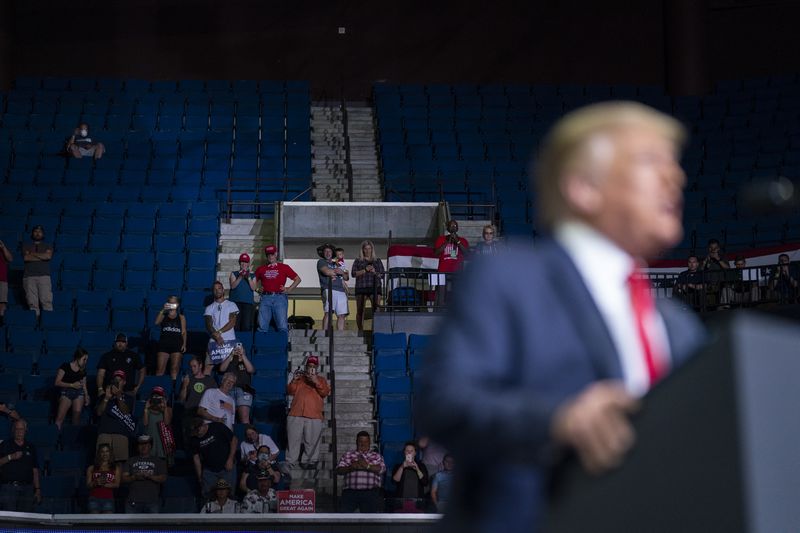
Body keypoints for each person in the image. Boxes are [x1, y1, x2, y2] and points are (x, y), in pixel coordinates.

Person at [415, 102, 706, 533]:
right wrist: (557, 420)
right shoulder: (509, 276)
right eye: (650, 161)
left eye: (675, 164)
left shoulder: (680, 326)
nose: (675, 177)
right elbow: (441, 402)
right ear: (584, 187)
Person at [286, 355, 330, 469]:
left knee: (311, 441)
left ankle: (310, 461)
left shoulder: (321, 380)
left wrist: (316, 382)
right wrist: (294, 380)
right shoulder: (299, 378)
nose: (311, 368)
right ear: (306, 367)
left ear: (317, 368)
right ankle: (291, 462)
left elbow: (325, 393)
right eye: (309, 366)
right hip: (296, 413)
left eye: (313, 366)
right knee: (293, 439)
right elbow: (290, 391)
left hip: (314, 415)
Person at [335, 431, 386, 513]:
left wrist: (367, 466)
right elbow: (338, 470)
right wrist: (351, 467)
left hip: (370, 492)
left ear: (369, 442)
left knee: (369, 520)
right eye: (360, 441)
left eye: (366, 441)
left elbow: (382, 469)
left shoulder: (376, 456)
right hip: (350, 492)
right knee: (344, 518)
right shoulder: (348, 455)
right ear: (356, 442)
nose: (363, 444)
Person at [254, 244, 301, 334]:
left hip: (280, 298)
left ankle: (282, 347)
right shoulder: (261, 269)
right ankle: (261, 347)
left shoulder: (284, 267)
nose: (270, 256)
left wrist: (288, 289)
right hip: (265, 298)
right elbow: (252, 282)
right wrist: (257, 289)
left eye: (272, 254)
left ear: (276, 254)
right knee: (262, 326)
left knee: (282, 326)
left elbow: (297, 279)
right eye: (268, 255)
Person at [190, 418, 238, 497]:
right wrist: (199, 477)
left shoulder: (217, 427)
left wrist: (230, 459)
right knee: (208, 496)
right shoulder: (194, 439)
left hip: (226, 467)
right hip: (209, 471)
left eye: (197, 431)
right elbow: (196, 458)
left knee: (229, 495)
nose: (197, 434)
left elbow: (234, 440)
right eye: (194, 433)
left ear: (203, 425)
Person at [0, 419, 41, 512]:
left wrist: (37, 489)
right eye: (17, 429)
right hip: (9, 489)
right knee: (9, 521)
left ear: (26, 430)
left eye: (21, 429)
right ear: (13, 430)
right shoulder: (5, 445)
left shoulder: (30, 447)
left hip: (27, 489)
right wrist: (11, 457)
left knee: (25, 520)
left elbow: (35, 469)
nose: (19, 432)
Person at [95, 370, 136, 463]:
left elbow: (125, 412)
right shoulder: (103, 397)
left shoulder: (129, 398)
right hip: (104, 432)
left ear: (124, 382)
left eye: (120, 380)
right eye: (115, 380)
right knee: (102, 463)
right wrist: (106, 398)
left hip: (120, 433)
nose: (117, 382)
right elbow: (98, 413)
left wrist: (118, 396)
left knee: (120, 463)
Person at [122, 434, 167, 514]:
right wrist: (134, 477)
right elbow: (124, 478)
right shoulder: (130, 461)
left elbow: (163, 478)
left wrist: (150, 476)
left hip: (152, 501)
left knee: (153, 526)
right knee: (130, 527)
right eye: (141, 444)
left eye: (146, 444)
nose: (143, 447)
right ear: (137, 446)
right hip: (133, 502)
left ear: (150, 446)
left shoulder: (158, 461)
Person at [178, 355, 218, 444]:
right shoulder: (188, 380)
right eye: (191, 366)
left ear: (200, 366)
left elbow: (215, 399)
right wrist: (184, 385)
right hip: (190, 413)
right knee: (189, 441)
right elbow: (181, 399)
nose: (192, 369)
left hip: (204, 414)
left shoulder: (210, 381)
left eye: (194, 366)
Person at [96, 333, 145, 400]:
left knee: (126, 410)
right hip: (110, 392)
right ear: (115, 342)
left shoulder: (133, 356)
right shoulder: (106, 356)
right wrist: (100, 389)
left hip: (128, 391)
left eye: (123, 342)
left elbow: (142, 370)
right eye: (118, 341)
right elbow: (100, 373)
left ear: (126, 343)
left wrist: (138, 387)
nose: (120, 344)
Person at [204, 281, 239, 372]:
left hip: (229, 341)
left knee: (228, 369)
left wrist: (219, 333)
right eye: (215, 289)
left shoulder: (231, 305)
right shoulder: (209, 307)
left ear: (223, 290)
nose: (217, 291)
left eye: (219, 288)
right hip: (214, 341)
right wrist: (217, 337)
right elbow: (209, 325)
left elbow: (232, 322)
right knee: (207, 367)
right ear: (212, 291)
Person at [351, 240, 385, 333]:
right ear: (362, 250)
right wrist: (365, 270)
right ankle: (360, 330)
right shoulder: (358, 260)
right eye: (365, 249)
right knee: (360, 310)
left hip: (375, 287)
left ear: (372, 249)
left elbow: (382, 275)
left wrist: (374, 271)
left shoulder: (377, 260)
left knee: (376, 310)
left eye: (369, 248)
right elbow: (353, 274)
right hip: (361, 287)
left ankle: (375, 330)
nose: (367, 250)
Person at [433, 220, 469, 306]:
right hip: (443, 271)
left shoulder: (462, 240)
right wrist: (447, 242)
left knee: (456, 293)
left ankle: (455, 313)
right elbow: (436, 253)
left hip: (457, 271)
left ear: (458, 228)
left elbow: (467, 253)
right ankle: (439, 313)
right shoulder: (441, 239)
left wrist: (458, 242)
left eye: (455, 226)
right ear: (447, 228)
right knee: (441, 294)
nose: (453, 227)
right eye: (451, 226)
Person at [54, 347, 90, 430]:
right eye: (84, 359)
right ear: (78, 358)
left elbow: (84, 384)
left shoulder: (83, 370)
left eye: (86, 360)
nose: (85, 362)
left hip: (79, 393)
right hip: (66, 392)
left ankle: (73, 439)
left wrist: (87, 396)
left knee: (76, 420)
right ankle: (55, 437)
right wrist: (71, 385)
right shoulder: (65, 366)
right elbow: (57, 382)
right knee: (59, 418)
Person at [218, 343, 255, 424]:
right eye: (236, 349)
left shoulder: (246, 362)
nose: (238, 350)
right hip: (228, 392)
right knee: (226, 418)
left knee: (244, 419)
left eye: (240, 348)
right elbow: (221, 369)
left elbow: (251, 370)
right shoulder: (229, 361)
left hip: (243, 391)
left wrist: (243, 355)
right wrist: (231, 355)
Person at [316, 243, 349, 331]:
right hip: (328, 289)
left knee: (342, 314)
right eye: (326, 251)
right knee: (328, 312)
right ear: (323, 253)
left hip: (341, 290)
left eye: (329, 251)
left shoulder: (337, 262)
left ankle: (340, 335)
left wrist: (341, 272)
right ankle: (325, 333)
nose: (327, 253)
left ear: (332, 253)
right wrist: (338, 271)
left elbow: (346, 277)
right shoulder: (321, 262)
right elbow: (327, 272)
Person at [22, 224, 53, 316]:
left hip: (44, 276)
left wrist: (32, 254)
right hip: (29, 277)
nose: (37, 233)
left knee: (46, 302)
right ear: (32, 234)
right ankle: (35, 324)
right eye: (35, 231)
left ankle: (48, 323)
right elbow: (26, 258)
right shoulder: (26, 246)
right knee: (32, 303)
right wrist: (41, 256)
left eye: (40, 232)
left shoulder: (48, 245)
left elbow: (48, 256)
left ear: (43, 234)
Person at [154, 295, 187, 379]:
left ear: (178, 304)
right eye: (170, 302)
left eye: (174, 303)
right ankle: (158, 389)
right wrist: (163, 309)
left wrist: (184, 344)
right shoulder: (164, 315)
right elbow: (156, 322)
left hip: (176, 345)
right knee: (160, 370)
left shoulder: (181, 317)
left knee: (175, 369)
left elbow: (183, 332)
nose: (172, 304)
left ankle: (173, 389)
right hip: (164, 344)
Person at [390, 441, 429, 510]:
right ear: (404, 452)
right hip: (402, 502)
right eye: (407, 450)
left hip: (417, 502)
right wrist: (402, 467)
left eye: (411, 451)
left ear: (415, 453)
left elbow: (425, 482)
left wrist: (417, 469)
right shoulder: (398, 466)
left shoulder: (421, 466)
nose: (409, 452)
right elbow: (394, 481)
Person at [142, 386, 174, 465]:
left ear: (163, 398)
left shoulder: (168, 409)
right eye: (154, 396)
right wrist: (146, 409)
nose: (156, 398)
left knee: (162, 465)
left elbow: (167, 422)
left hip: (162, 440)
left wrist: (165, 407)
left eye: (158, 396)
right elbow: (145, 423)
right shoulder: (148, 409)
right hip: (151, 439)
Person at [85, 443, 120, 514]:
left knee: (108, 522)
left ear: (110, 453)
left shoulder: (115, 468)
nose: (105, 454)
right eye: (102, 451)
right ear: (99, 454)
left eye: (107, 451)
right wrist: (95, 483)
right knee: (94, 522)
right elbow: (88, 485)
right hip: (94, 499)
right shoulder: (91, 468)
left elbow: (117, 484)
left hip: (108, 499)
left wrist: (103, 484)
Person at [229, 253, 257, 332]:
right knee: (235, 326)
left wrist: (248, 277)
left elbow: (253, 288)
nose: (244, 264)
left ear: (248, 263)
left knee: (246, 326)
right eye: (242, 262)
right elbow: (233, 286)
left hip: (247, 303)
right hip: (235, 303)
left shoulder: (252, 275)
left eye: (245, 262)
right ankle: (235, 343)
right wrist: (240, 277)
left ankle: (246, 343)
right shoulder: (234, 273)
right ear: (239, 263)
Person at [0, 238, 13, 326]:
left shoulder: (2, 249)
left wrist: (3, 247)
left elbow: (10, 259)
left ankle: (1, 322)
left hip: (2, 280)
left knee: (2, 303)